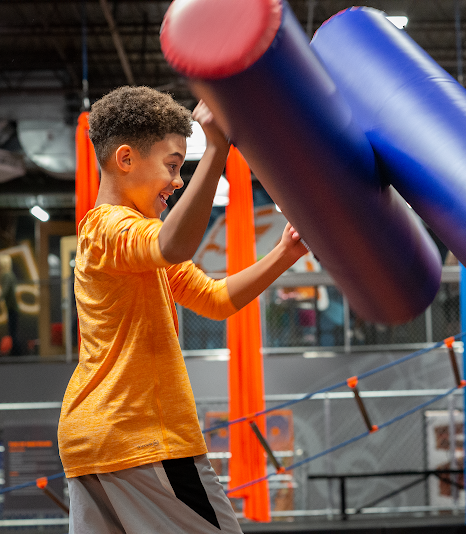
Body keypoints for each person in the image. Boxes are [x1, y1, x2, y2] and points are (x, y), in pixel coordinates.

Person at [57, 86, 308, 534]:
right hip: (142, 438)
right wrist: (215, 150)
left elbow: (215, 300)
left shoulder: (130, 242)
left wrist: (285, 253)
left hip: (92, 442)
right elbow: (173, 244)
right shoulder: (111, 227)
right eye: (173, 166)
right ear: (126, 159)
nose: (177, 181)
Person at [0, 254, 20, 355]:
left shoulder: (6, 275)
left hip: (12, 307)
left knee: (12, 331)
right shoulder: (10, 274)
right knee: (12, 330)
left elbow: (5, 290)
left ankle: (15, 352)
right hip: (12, 306)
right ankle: (15, 351)